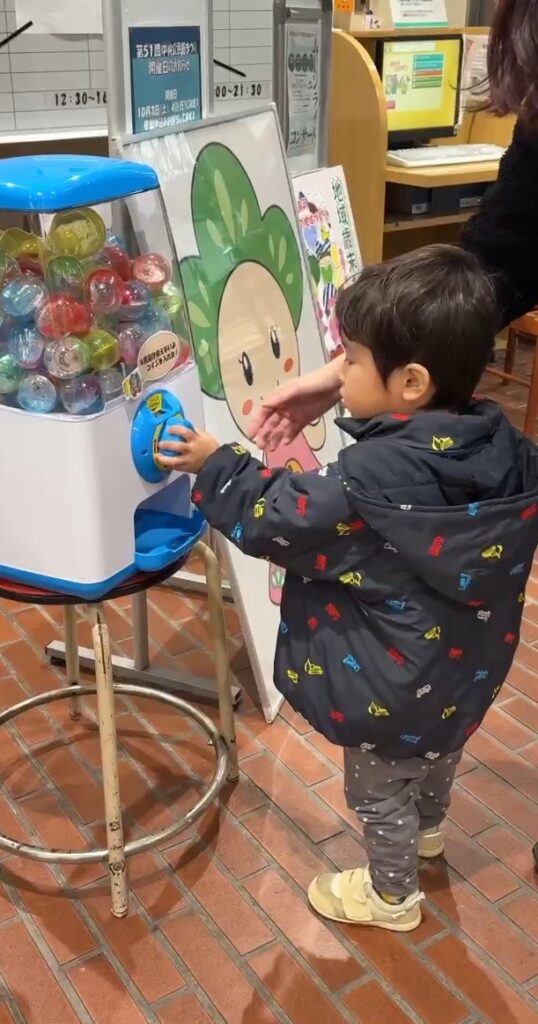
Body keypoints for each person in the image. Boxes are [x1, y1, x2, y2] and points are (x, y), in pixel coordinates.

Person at [158, 244, 538, 930]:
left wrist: (218, 466)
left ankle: (391, 897)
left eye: (351, 360)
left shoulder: (371, 483)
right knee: (439, 751)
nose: (341, 372)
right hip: (468, 667)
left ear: (412, 382)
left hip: (392, 682)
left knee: (377, 790)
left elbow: (276, 515)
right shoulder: (504, 446)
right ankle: (428, 831)